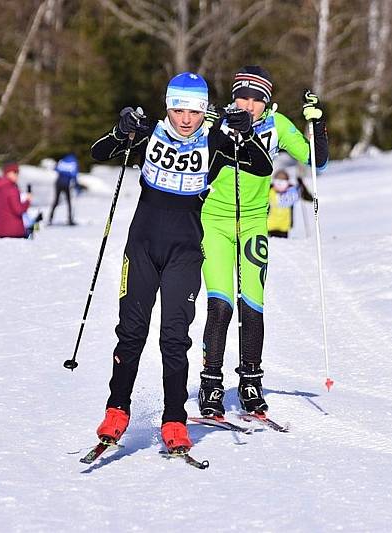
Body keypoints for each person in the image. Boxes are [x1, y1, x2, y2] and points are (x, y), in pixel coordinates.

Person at [89, 72, 273, 453]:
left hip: (186, 252)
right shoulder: (150, 132)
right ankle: (116, 409)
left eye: (194, 111)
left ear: (204, 110)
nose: (186, 119)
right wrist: (122, 129)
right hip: (141, 246)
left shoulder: (216, 138)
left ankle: (174, 418)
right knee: (131, 331)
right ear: (168, 106)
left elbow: (262, 167)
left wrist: (246, 132)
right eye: (178, 109)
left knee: (174, 338)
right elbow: (99, 151)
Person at [198, 66, 328, 417]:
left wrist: (316, 122)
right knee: (221, 304)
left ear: (267, 103)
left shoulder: (277, 125)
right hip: (214, 222)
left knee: (252, 303)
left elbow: (318, 160)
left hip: (255, 222)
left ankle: (251, 381)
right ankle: (210, 382)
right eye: (243, 96)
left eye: (258, 99)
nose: (250, 105)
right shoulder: (217, 120)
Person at [0, 161, 32, 238]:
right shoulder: (12, 189)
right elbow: (19, 211)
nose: (17, 175)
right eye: (15, 172)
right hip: (15, 232)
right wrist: (27, 201)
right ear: (7, 173)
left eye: (17, 172)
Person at [268, 170, 314, 238]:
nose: (280, 183)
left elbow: (309, 198)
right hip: (268, 226)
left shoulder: (292, 192)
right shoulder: (268, 190)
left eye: (283, 180)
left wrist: (302, 185)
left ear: (287, 181)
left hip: (284, 227)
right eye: (278, 179)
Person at [49, 153, 78, 225]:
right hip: (66, 184)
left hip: (58, 183)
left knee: (56, 201)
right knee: (69, 202)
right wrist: (77, 186)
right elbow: (74, 175)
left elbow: (56, 168)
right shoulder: (74, 162)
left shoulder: (63, 160)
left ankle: (50, 218)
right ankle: (70, 220)